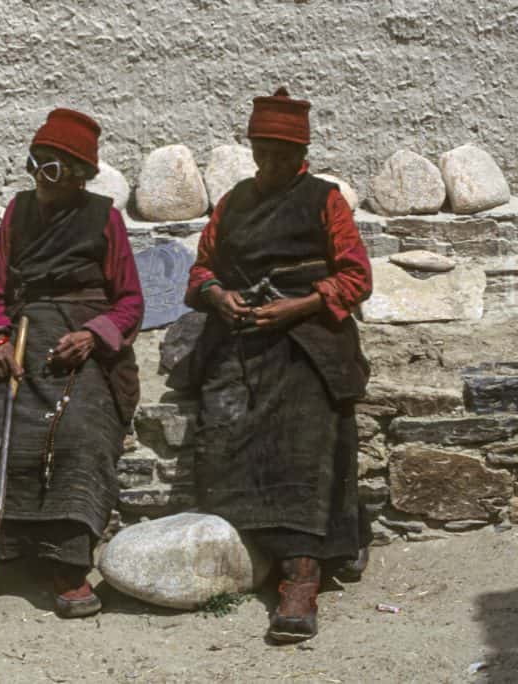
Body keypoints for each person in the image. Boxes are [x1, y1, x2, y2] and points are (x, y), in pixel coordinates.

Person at [0, 108, 143, 620]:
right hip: (23, 338)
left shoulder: (104, 217)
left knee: (77, 432)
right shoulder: (17, 212)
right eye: (35, 163)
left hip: (80, 342)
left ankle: (65, 566)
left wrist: (94, 337)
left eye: (52, 167)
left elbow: (131, 301)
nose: (39, 177)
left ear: (78, 175)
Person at [184, 87, 373, 643]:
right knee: (223, 424)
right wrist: (218, 295)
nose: (271, 165)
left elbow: (356, 276)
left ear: (302, 156)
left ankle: (302, 569)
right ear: (251, 149)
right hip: (240, 331)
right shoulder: (233, 201)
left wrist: (305, 303)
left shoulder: (325, 199)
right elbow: (200, 270)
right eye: (263, 153)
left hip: (310, 332)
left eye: (283, 156)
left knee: (305, 421)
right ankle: (254, 553)